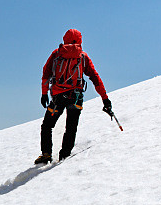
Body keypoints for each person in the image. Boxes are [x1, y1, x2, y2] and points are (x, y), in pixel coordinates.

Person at [35, 28, 112, 164]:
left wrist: (44, 93)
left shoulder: (56, 54)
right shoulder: (83, 57)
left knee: (47, 125)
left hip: (57, 97)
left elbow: (46, 74)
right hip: (75, 98)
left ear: (65, 38)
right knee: (71, 127)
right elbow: (95, 78)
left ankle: (46, 154)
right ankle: (65, 156)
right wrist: (105, 99)